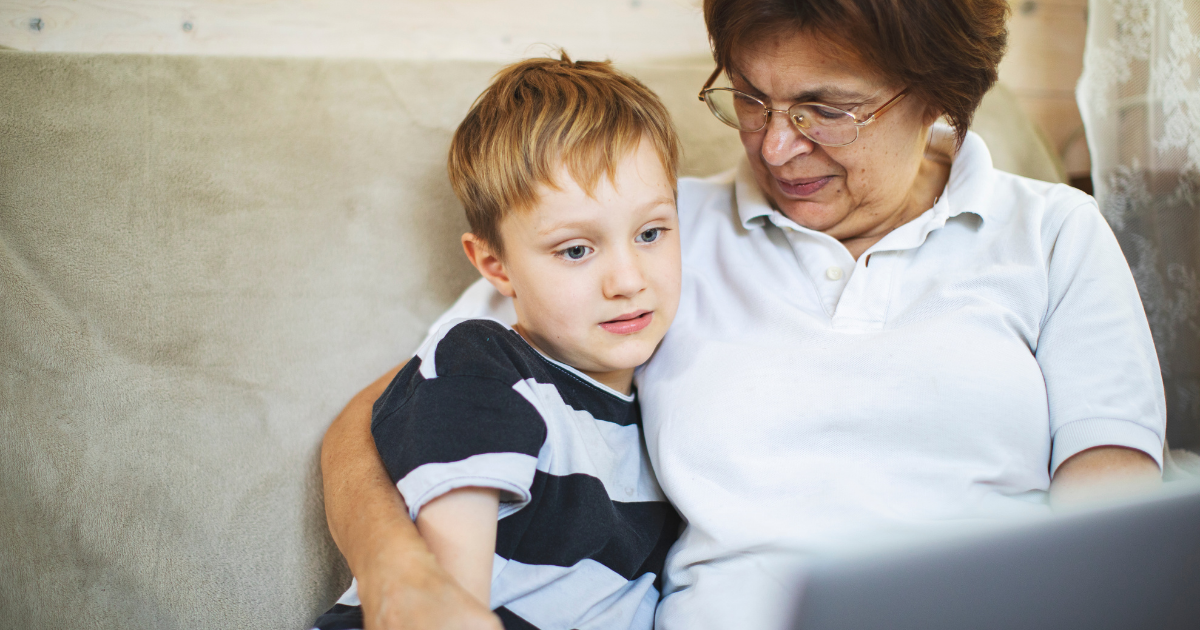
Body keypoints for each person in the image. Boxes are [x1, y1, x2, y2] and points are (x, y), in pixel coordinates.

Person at [320, 1, 1168, 629]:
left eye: (825, 109)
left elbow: (1114, 522)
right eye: (753, 98)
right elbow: (387, 411)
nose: (773, 145)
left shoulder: (1054, 234)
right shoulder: (651, 239)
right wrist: (402, 579)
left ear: (940, 94)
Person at [313, 56, 684, 630]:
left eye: (651, 233)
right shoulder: (484, 366)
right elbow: (447, 606)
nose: (628, 280)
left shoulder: (663, 419)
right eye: (576, 250)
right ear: (496, 265)